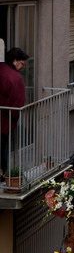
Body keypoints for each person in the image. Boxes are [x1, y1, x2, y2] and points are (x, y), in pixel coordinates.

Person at [0, 47, 29, 180]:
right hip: (4, 121)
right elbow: (17, 103)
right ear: (15, 61)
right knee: (2, 148)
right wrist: (15, 119)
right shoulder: (15, 78)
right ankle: (3, 174)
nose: (22, 67)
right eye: (22, 64)